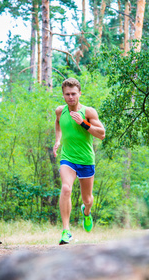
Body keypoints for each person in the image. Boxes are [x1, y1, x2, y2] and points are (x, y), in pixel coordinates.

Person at [53, 78, 105, 245]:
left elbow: (101, 134)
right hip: (67, 158)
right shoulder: (60, 111)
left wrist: (83, 123)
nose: (70, 97)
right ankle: (66, 231)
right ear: (63, 95)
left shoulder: (88, 112)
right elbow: (58, 124)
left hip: (86, 160)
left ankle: (87, 212)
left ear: (80, 93)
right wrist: (57, 140)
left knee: (87, 199)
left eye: (73, 94)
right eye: (67, 94)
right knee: (66, 188)